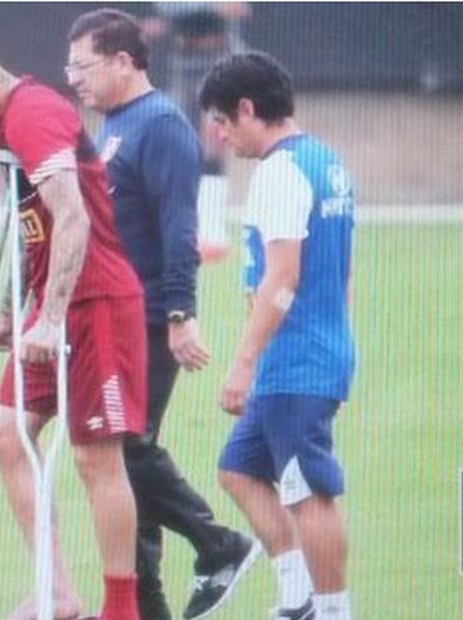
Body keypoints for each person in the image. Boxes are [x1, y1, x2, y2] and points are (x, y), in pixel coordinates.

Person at [0, 24, 149, 620]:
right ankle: (58, 593)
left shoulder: (34, 113)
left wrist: (50, 318)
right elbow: (34, 225)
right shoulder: (4, 124)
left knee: (97, 457)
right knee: (4, 433)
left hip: (95, 302)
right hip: (50, 306)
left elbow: (73, 218)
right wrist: (11, 314)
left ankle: (121, 609)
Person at [66, 10, 260, 620]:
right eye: (69, 67)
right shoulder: (115, 124)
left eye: (83, 66)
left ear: (125, 61)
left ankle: (220, 545)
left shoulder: (162, 126)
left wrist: (180, 312)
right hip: (113, 316)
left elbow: (183, 229)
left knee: (122, 448)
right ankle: (147, 605)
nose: (73, 78)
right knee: (122, 458)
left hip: (146, 315)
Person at [200, 52, 355, 620]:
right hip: (311, 352)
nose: (219, 133)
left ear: (248, 108)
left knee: (308, 492)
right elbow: (343, 268)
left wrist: (243, 363)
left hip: (295, 358)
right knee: (239, 469)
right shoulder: (326, 161)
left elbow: (283, 275)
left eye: (222, 119)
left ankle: (334, 612)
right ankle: (300, 598)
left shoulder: (280, 170)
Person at [142, 2, 251, 263]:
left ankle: (213, 236)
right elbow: (170, 10)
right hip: (183, 66)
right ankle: (186, 230)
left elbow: (237, 8)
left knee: (213, 146)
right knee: (181, 145)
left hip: (217, 63)